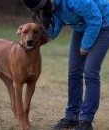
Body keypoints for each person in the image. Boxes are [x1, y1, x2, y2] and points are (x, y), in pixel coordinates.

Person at [23, 0, 109, 130]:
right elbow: (59, 19)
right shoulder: (54, 5)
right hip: (82, 25)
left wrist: (86, 45)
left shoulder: (73, 1)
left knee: (90, 70)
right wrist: (43, 39)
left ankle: (86, 120)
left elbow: (95, 18)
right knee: (74, 71)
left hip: (103, 23)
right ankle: (72, 117)